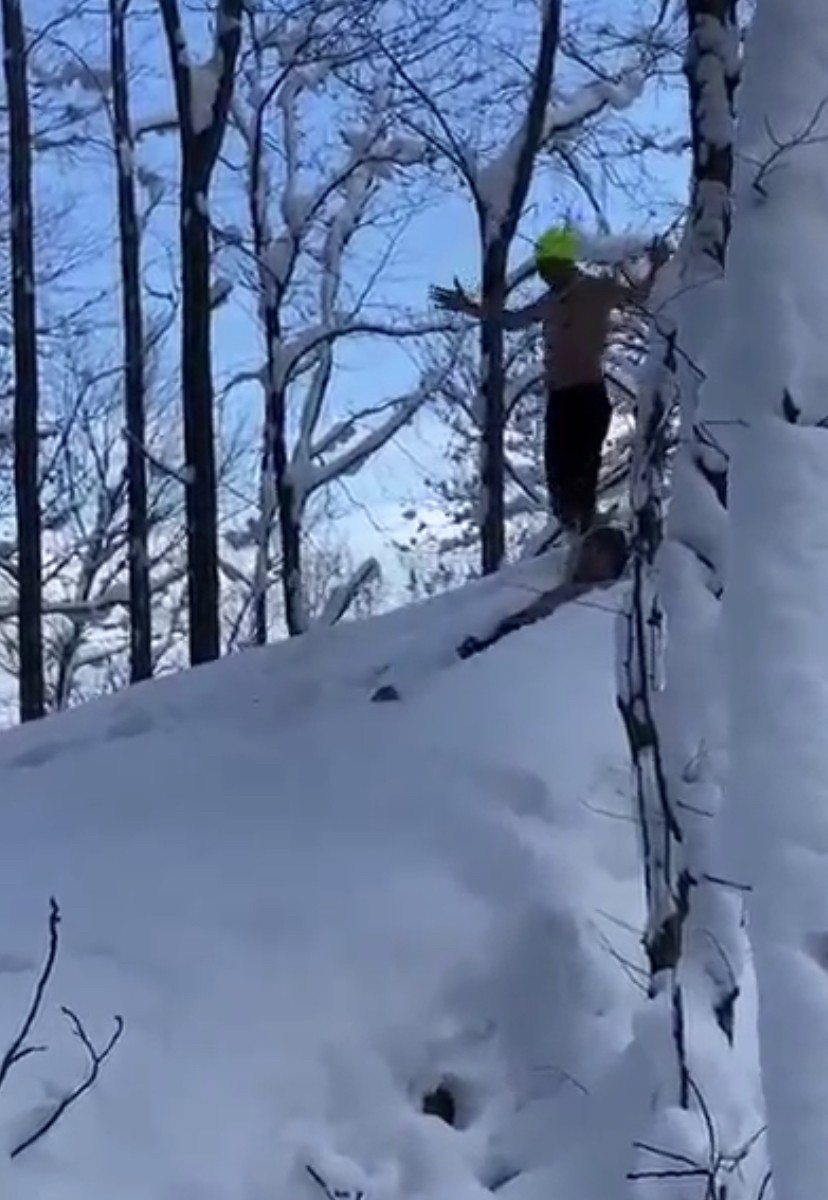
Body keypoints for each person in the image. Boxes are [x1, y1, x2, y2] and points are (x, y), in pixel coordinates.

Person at [431, 226, 669, 539]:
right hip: (559, 397)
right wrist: (470, 307)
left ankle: (589, 526)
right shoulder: (550, 301)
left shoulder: (595, 289)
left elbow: (639, 297)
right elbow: (512, 320)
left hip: (587, 394)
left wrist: (657, 266)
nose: (544, 275)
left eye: (548, 267)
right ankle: (577, 531)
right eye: (542, 269)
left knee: (581, 468)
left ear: (564, 263)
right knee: (558, 472)